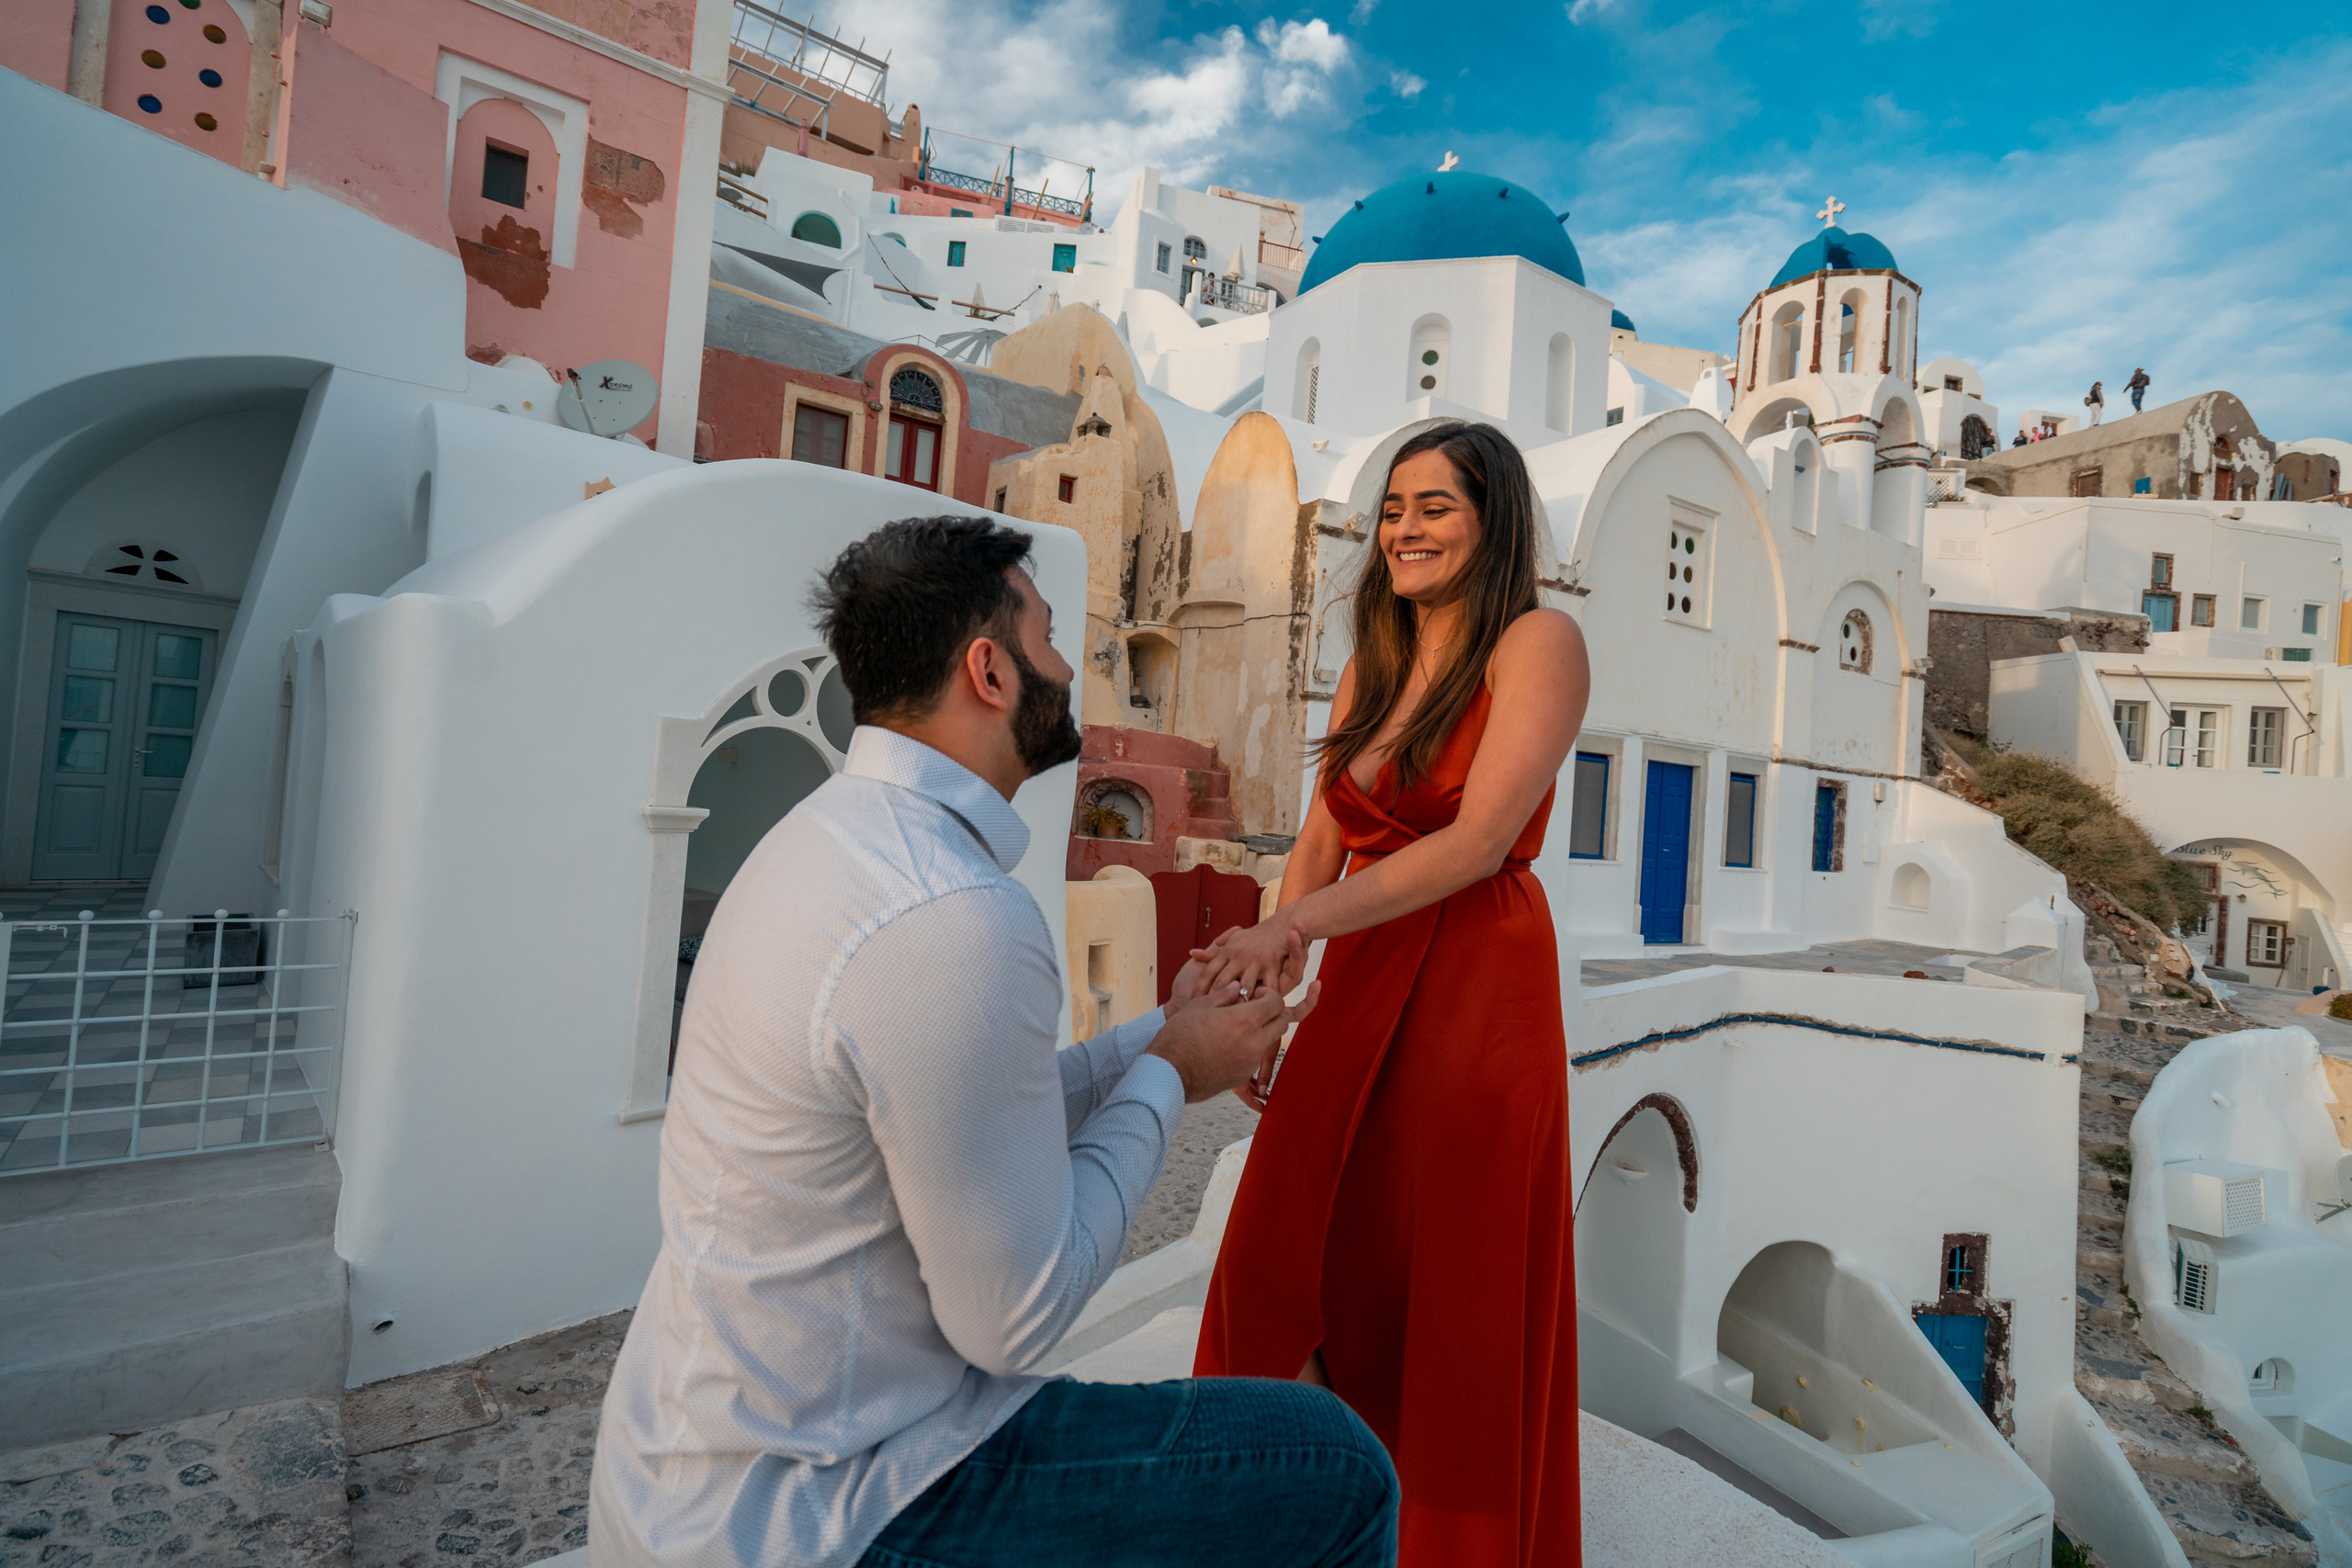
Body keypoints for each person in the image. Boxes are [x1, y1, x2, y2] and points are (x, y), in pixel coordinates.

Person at [589, 514, 1399, 1568]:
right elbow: (1016, 1319)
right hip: (820, 1507)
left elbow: (977, 1117)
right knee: (1335, 1469)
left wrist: (1172, 1025)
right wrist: (1167, 1076)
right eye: (1050, 637)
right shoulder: (949, 913)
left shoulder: (832, 839)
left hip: (694, 1468)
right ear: (990, 670)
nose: (1069, 667)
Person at [1191, 422, 1592, 1566]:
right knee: (1285, 1249)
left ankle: (1438, 1538)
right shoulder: (1375, 657)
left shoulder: (1538, 642)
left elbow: (1478, 842)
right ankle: (1281, 1507)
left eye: (1435, 507)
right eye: (1394, 508)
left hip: (1477, 979)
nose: (1405, 529)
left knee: (1443, 1265)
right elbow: (1325, 831)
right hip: (1364, 965)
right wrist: (1269, 987)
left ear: (1492, 519)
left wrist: (1296, 926)